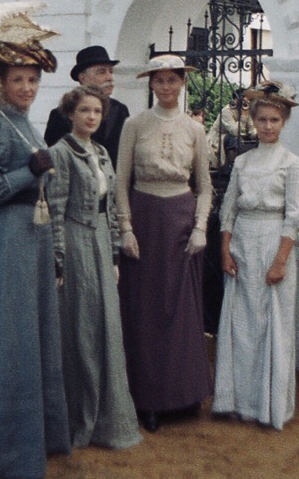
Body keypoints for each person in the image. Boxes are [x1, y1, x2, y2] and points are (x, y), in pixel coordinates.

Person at [0, 40, 70, 479]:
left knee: (30, 333)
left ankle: (29, 439)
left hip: (32, 240)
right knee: (11, 337)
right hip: (5, 240)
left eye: (33, 80)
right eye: (18, 80)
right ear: (1, 83)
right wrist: (30, 171)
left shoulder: (23, 123)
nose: (27, 87)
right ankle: (3, 450)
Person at [116, 54, 213, 433]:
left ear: (182, 83)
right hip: (144, 217)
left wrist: (201, 226)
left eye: (173, 80)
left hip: (180, 221)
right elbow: (121, 180)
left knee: (180, 309)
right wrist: (125, 227)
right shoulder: (134, 124)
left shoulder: (195, 130)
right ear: (151, 84)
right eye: (160, 80)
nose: (167, 87)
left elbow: (204, 186)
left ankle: (184, 394)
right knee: (145, 308)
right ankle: (148, 399)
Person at [46, 86, 142, 451]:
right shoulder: (61, 153)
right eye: (84, 110)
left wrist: (115, 254)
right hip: (74, 242)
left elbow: (112, 209)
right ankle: (77, 418)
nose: (91, 117)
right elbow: (54, 211)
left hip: (101, 243)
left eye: (97, 112)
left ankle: (108, 418)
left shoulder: (102, 152)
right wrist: (58, 259)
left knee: (107, 328)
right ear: (70, 115)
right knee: (80, 328)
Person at [212, 81, 299, 430]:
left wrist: (280, 261)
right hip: (242, 244)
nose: (267, 126)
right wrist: (225, 250)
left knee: (272, 323)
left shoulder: (291, 163)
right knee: (240, 324)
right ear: (253, 120)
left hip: (273, 243)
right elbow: (229, 209)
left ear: (284, 123)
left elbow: (295, 216)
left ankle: (269, 407)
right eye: (262, 119)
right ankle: (235, 400)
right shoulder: (243, 161)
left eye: (274, 120)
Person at [45, 45, 129, 165]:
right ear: (83, 78)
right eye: (102, 72)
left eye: (111, 71)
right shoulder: (61, 114)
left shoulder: (120, 110)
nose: (109, 77)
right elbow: (54, 158)